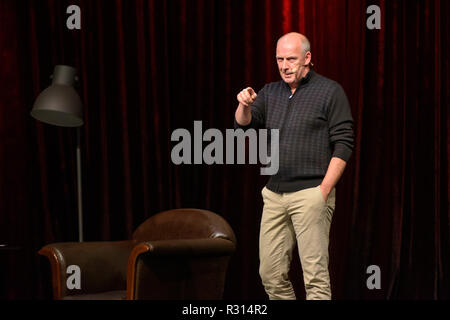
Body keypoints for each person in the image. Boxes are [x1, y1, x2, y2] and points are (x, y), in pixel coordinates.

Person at [234, 32, 354, 300]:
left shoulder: (329, 91)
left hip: (311, 193)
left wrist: (323, 190)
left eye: (291, 59)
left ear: (307, 58)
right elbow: (244, 125)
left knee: (315, 279)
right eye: (279, 59)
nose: (285, 65)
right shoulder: (271, 91)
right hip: (274, 194)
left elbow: (344, 144)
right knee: (270, 274)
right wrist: (243, 105)